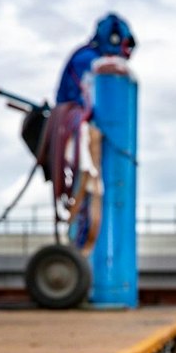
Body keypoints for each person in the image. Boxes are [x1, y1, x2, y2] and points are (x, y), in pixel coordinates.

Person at [46, 14, 136, 256]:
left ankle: (82, 247)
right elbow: (84, 98)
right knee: (88, 184)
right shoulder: (88, 60)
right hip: (79, 135)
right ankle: (79, 244)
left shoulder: (94, 61)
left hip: (98, 138)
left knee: (98, 189)